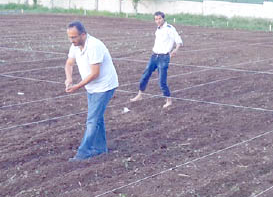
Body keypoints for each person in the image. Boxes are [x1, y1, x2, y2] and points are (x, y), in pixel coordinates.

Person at [64, 21, 118, 161]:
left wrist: (77, 86)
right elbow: (69, 63)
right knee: (97, 117)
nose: (72, 40)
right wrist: (69, 79)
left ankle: (83, 153)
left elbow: (95, 73)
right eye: (70, 37)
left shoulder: (94, 46)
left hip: (104, 86)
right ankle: (100, 148)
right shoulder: (75, 46)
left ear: (83, 34)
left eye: (74, 37)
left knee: (92, 120)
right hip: (92, 87)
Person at [130, 11, 183, 108]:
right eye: (156, 19)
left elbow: (178, 40)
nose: (158, 21)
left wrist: (176, 49)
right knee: (145, 75)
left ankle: (168, 100)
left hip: (164, 58)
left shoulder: (169, 29)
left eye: (159, 19)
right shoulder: (158, 29)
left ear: (163, 18)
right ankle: (140, 95)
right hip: (154, 56)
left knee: (161, 80)